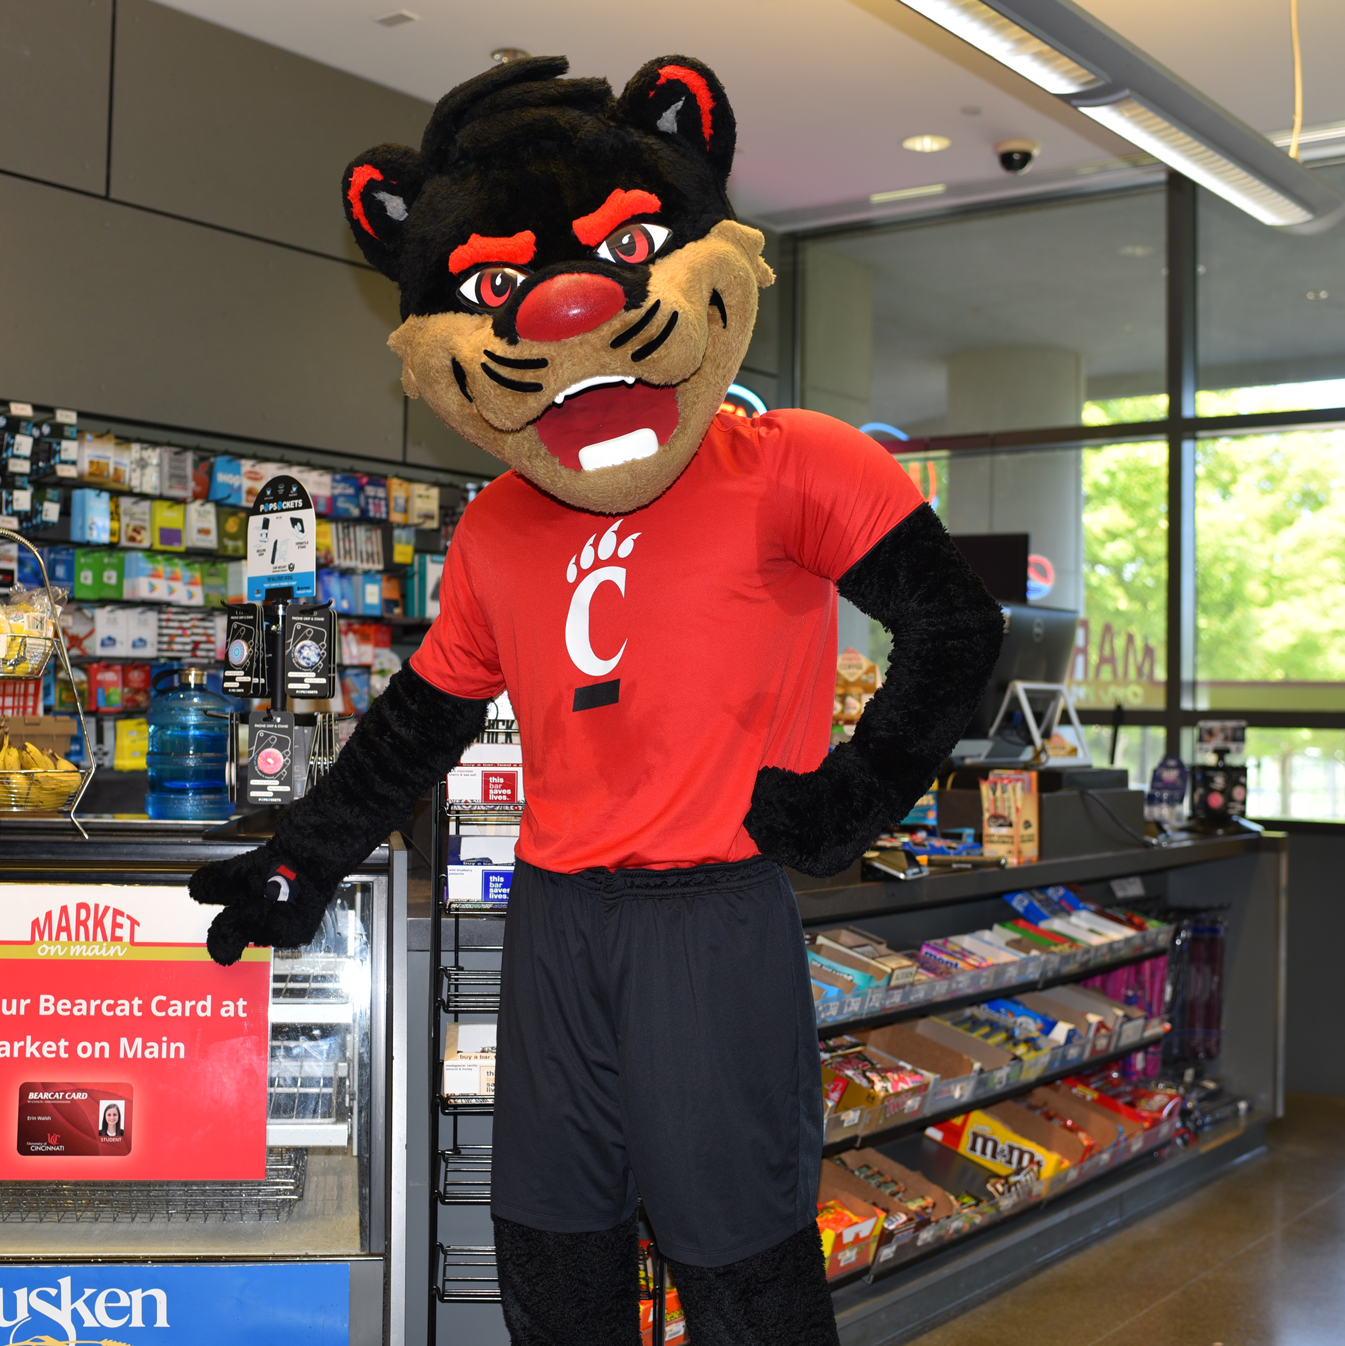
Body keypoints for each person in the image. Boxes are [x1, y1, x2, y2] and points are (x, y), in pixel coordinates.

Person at [191, 55, 1001, 1345]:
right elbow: (426, 712)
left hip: (712, 914)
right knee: (553, 1248)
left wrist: (851, 794)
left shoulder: (790, 462)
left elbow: (956, 629)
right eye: (505, 287)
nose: (568, 313)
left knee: (737, 1255)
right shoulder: (499, 524)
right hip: (556, 915)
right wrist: (306, 855)